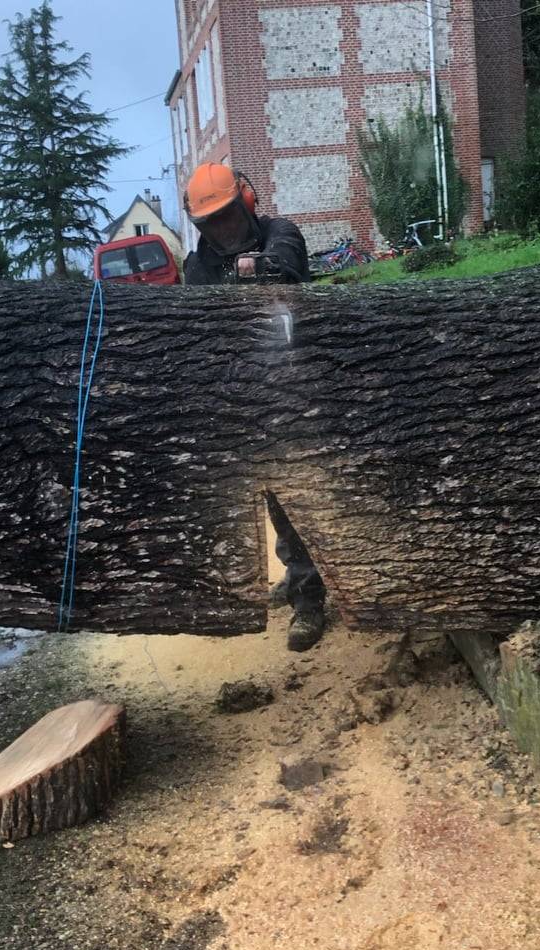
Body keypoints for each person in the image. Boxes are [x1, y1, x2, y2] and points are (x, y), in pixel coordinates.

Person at [183, 162, 325, 651]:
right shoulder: (197, 265)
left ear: (245, 204)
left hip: (298, 385)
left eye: (227, 217)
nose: (221, 230)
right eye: (211, 222)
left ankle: (310, 600)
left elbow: (285, 268)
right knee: (269, 496)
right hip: (245, 393)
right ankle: (297, 572)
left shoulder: (281, 233)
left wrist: (255, 269)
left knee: (297, 496)